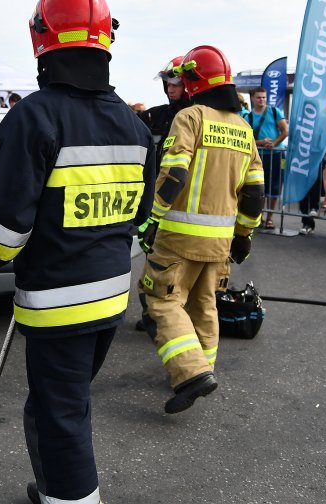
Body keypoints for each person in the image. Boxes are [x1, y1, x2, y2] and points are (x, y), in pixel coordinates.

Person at [0, 0, 155, 504]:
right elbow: (139, 216)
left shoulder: (35, 117)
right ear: (104, 40)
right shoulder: (135, 128)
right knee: (65, 406)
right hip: (113, 297)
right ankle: (55, 489)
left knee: (60, 415)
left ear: (42, 38)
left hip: (56, 306)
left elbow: (2, 229)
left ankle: (71, 498)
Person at [137, 45, 264, 415]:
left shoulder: (191, 116)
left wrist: (153, 219)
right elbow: (255, 192)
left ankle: (190, 373)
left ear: (194, 81)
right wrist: (243, 236)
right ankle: (201, 368)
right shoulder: (243, 127)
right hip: (221, 241)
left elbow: (173, 172)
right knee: (203, 304)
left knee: (161, 300)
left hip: (178, 235)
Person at [134, 55, 193, 336]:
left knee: (179, 266)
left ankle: (175, 317)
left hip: (183, 202)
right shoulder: (154, 116)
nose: (171, 88)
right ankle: (150, 312)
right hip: (156, 198)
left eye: (177, 83)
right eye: (168, 82)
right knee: (152, 259)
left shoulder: (196, 117)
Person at [242, 86, 287, 229]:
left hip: (276, 155)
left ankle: (270, 218)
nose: (262, 100)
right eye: (259, 97)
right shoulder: (248, 117)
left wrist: (274, 143)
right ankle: (258, 216)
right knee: (258, 188)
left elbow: (285, 131)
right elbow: (245, 138)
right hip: (258, 156)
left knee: (274, 188)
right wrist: (261, 143)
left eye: (264, 97)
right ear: (253, 98)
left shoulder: (275, 112)